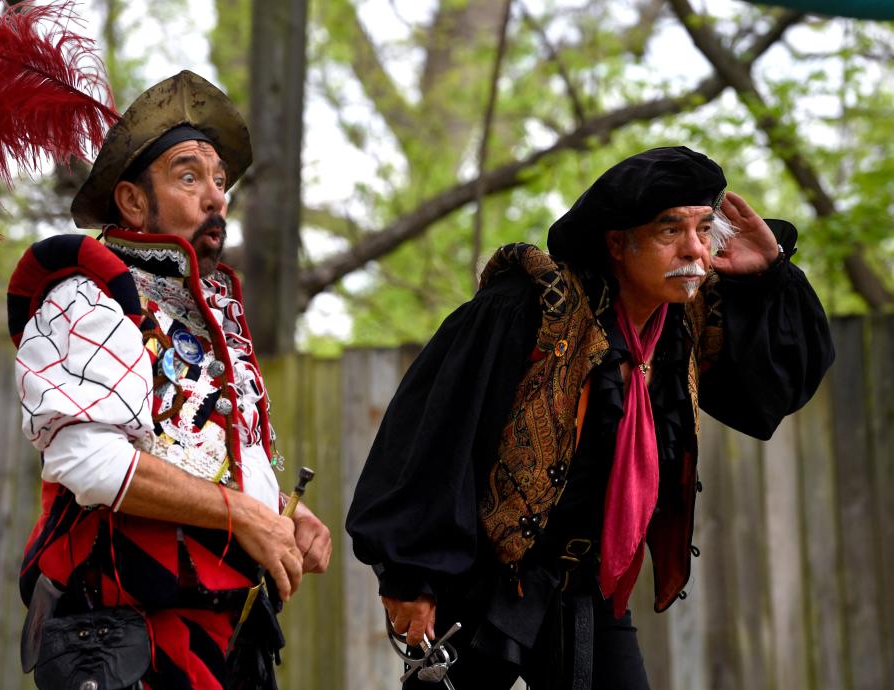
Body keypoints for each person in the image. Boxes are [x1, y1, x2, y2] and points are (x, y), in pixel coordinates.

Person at [346, 146, 834, 689]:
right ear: (617, 243)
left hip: (591, 588)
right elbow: (431, 434)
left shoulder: (683, 327)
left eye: (703, 229)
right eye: (669, 231)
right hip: (487, 584)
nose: (695, 250)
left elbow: (776, 387)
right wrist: (411, 577)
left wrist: (770, 274)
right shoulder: (529, 310)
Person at [9, 71, 332, 690]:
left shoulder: (209, 314)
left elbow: (196, 449)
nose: (215, 197)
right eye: (189, 176)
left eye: (218, 180)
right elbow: (92, 462)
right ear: (132, 201)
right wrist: (246, 516)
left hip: (232, 639)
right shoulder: (86, 295)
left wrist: (283, 511)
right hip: (129, 647)